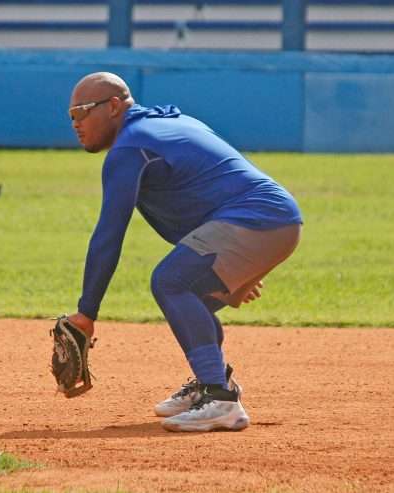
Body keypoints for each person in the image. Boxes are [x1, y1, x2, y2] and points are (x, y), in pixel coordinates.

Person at [65, 72, 302, 432]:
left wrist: (87, 312)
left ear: (113, 106)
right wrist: (235, 262)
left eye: (81, 112)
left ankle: (219, 398)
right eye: (71, 116)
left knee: (171, 282)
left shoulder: (131, 148)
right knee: (193, 297)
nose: (76, 124)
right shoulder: (166, 123)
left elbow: (109, 235)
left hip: (256, 217)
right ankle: (213, 381)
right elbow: (210, 185)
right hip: (270, 219)